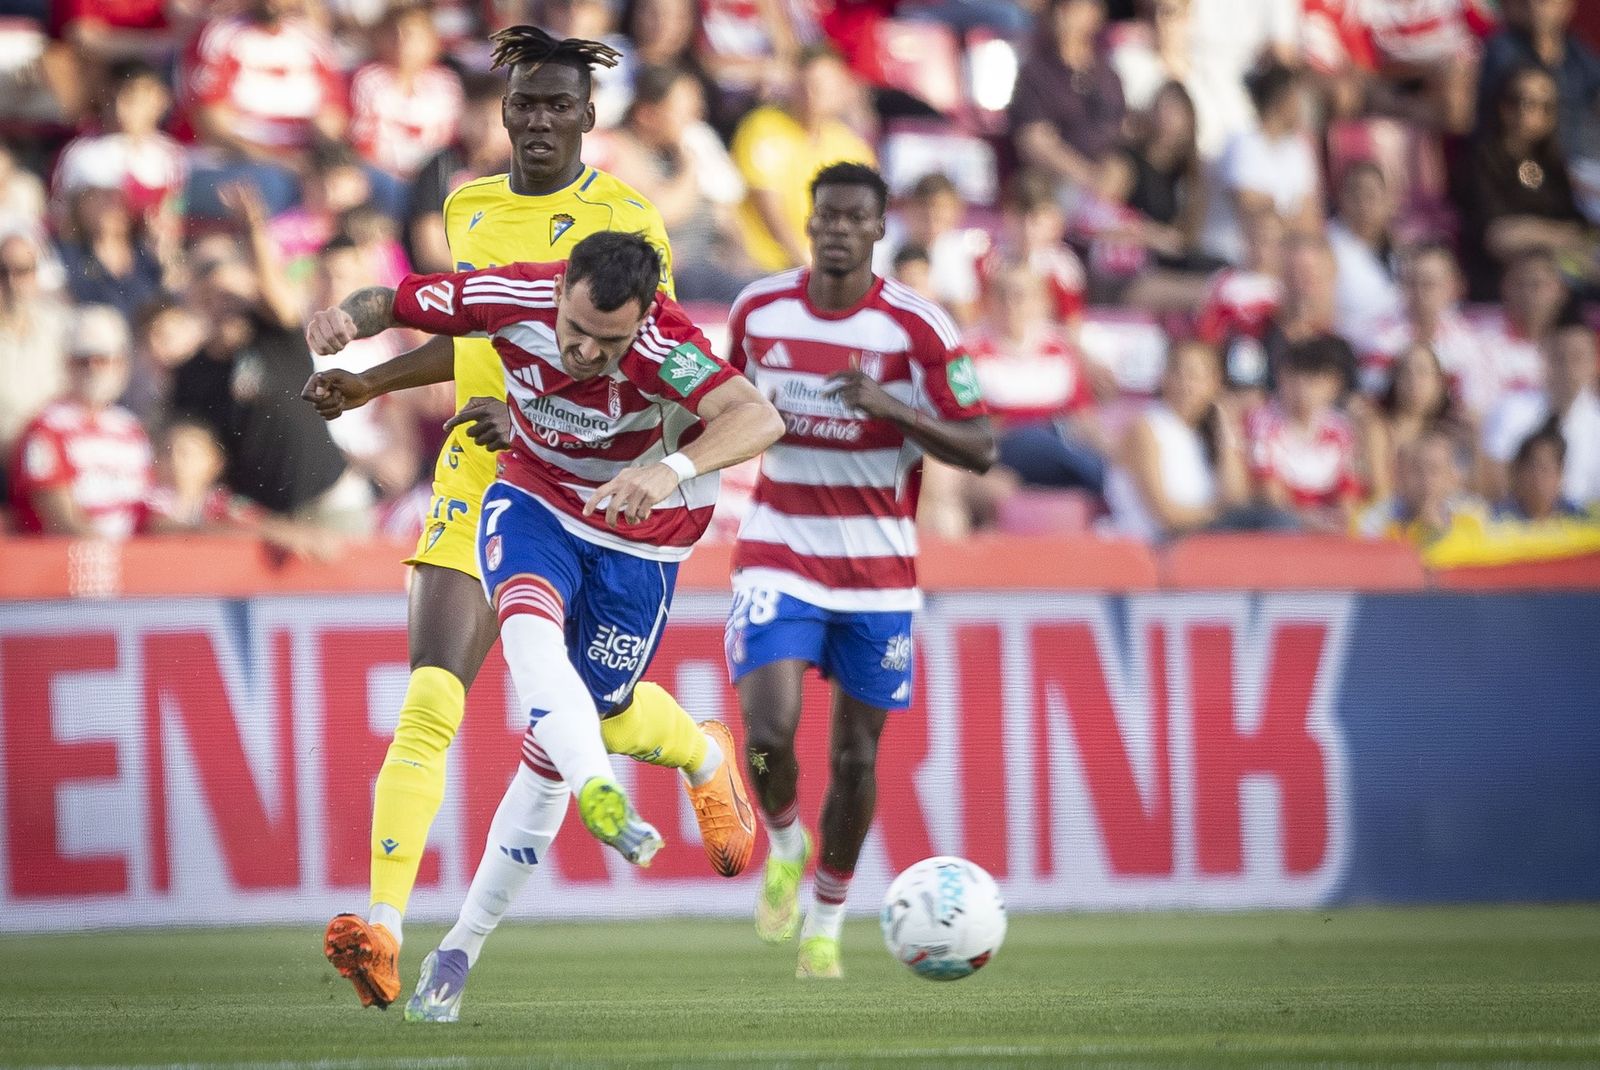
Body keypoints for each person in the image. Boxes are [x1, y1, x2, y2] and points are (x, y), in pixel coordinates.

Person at [300, 26, 758, 1012]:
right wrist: (365, 380)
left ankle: (700, 751)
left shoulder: (627, 221)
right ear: (500, 111)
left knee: (594, 707)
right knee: (433, 693)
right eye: (525, 102)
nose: (540, 119)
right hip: (483, 465)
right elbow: (477, 336)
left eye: (559, 103)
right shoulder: (467, 205)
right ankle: (380, 925)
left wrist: (656, 471)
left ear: (590, 115)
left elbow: (645, 365)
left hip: (592, 480)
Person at [724, 162, 996, 979]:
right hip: (777, 544)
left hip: (878, 573)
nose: (838, 228)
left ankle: (827, 922)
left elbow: (980, 447)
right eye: (826, 216)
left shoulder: (920, 330)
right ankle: (782, 841)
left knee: (855, 760)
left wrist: (894, 409)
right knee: (768, 731)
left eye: (855, 218)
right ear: (809, 222)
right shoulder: (757, 309)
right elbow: (708, 397)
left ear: (879, 230)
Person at [8, 306, 151, 539]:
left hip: (129, 561)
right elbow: (62, 520)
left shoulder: (131, 428)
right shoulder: (46, 428)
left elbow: (147, 511)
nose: (94, 369)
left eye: (104, 360)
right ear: (67, 364)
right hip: (65, 566)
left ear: (122, 363)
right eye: (83, 361)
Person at [730, 46, 875, 272]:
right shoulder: (763, 127)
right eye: (805, 84)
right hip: (764, 265)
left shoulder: (851, 146)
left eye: (821, 86)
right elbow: (768, 206)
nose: (811, 94)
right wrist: (805, 261)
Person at [1458, 64, 1594, 299]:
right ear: (1501, 104)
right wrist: (1562, 235)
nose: (1526, 111)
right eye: (1517, 100)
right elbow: (1498, 237)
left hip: (1559, 281)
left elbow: (1580, 228)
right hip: (1498, 283)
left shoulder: (1554, 163)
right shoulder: (1481, 158)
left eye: (1541, 106)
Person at [1106, 338, 1251, 540]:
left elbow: (1236, 500)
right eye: (1177, 372)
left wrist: (1225, 430)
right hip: (1153, 543)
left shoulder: (1202, 435)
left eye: (1195, 376)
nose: (1185, 383)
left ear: (1215, 384)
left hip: (1199, 541)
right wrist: (1222, 517)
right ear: (1164, 377)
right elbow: (1165, 514)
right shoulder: (1146, 429)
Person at [1245, 335, 1365, 533]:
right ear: (1282, 377)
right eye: (1295, 378)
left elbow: (1348, 489)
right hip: (1282, 526)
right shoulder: (1263, 423)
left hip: (1326, 524)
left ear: (1332, 385)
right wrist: (1308, 521)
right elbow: (1270, 494)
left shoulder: (1340, 429)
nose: (1303, 390)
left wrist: (1341, 519)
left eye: (1313, 381)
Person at [1009, 0, 1126, 193]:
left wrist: (1117, 172)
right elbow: (1034, 143)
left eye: (1073, 6)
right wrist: (1088, 176)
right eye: (1059, 7)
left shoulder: (1108, 77)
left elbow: (1119, 135)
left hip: (1108, 187)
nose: (1063, 14)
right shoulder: (1034, 73)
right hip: (1057, 186)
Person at [1484, 319, 1600, 508]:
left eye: (1577, 358)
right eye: (1559, 357)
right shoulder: (1511, 409)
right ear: (1544, 358)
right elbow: (1495, 480)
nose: (1568, 369)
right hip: (1517, 525)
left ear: (1593, 364)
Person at [1355, 342, 1467, 504]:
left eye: (1422, 373)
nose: (1414, 381)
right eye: (1406, 373)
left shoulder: (1451, 433)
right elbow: (1379, 492)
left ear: (1439, 383)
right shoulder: (1378, 428)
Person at [0, 232, 69, 451]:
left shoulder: (59, 326)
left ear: (36, 275)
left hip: (53, 455)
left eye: (22, 271)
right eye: (2, 271)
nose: (11, 282)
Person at [1494, 419, 1588, 521]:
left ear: (1560, 474)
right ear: (1518, 473)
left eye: (1545, 469)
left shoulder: (1577, 518)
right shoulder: (1499, 520)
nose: (1537, 477)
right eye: (1532, 468)